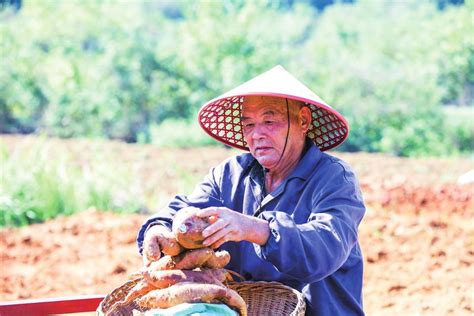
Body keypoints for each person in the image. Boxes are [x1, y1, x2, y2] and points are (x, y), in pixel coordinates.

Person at [137, 65, 366, 315]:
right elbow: (186, 210)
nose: (257, 135)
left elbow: (325, 247)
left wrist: (254, 228)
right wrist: (159, 228)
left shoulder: (334, 178)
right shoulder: (230, 174)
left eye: (269, 121)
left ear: (302, 120)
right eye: (248, 125)